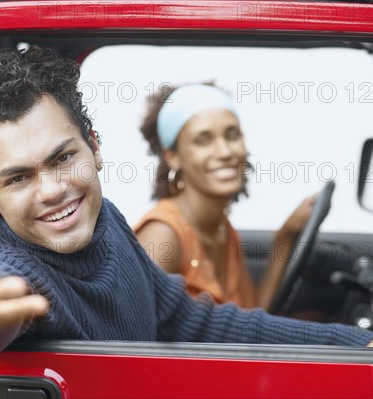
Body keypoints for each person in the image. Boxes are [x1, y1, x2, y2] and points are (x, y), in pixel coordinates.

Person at [0, 47, 373, 365]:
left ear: (94, 146)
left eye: (63, 158)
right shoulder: (13, 266)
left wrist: (362, 348)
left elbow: (196, 323)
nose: (51, 190)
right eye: (18, 177)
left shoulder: (108, 222)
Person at [134, 83, 315, 310]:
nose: (225, 152)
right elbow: (133, 337)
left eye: (232, 135)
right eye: (203, 140)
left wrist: (285, 237)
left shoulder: (222, 229)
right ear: (173, 157)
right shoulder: (163, 235)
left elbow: (249, 322)